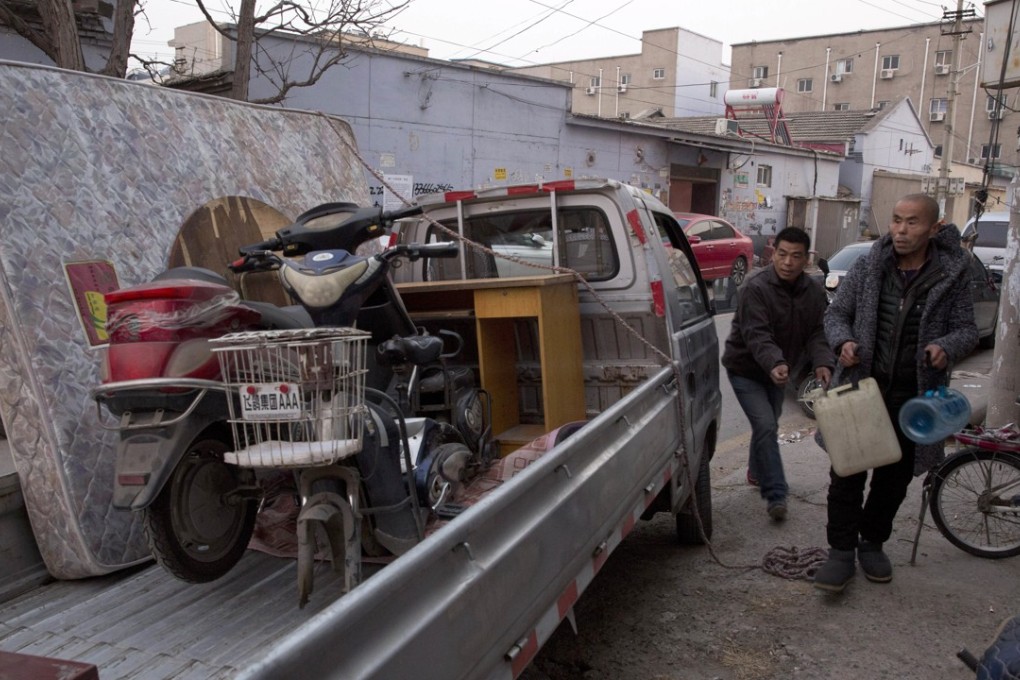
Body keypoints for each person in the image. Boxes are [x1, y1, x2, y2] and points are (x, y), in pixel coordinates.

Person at [814, 193, 978, 592]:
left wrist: (947, 348)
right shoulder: (871, 265)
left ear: (934, 228)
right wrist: (843, 342)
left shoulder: (953, 273)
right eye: (896, 220)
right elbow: (836, 314)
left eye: (912, 223)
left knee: (893, 479)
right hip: (860, 390)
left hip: (915, 399)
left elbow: (967, 330)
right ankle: (839, 552)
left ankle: (872, 544)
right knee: (847, 474)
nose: (901, 231)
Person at [722, 227, 833, 521]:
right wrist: (775, 362)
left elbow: (817, 332)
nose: (787, 262)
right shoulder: (755, 287)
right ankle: (776, 494)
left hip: (779, 372)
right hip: (746, 370)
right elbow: (756, 334)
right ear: (774, 253)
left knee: (766, 426)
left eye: (795, 256)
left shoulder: (813, 292)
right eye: (782, 254)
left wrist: (823, 360)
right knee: (767, 426)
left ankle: (756, 470)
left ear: (806, 259)